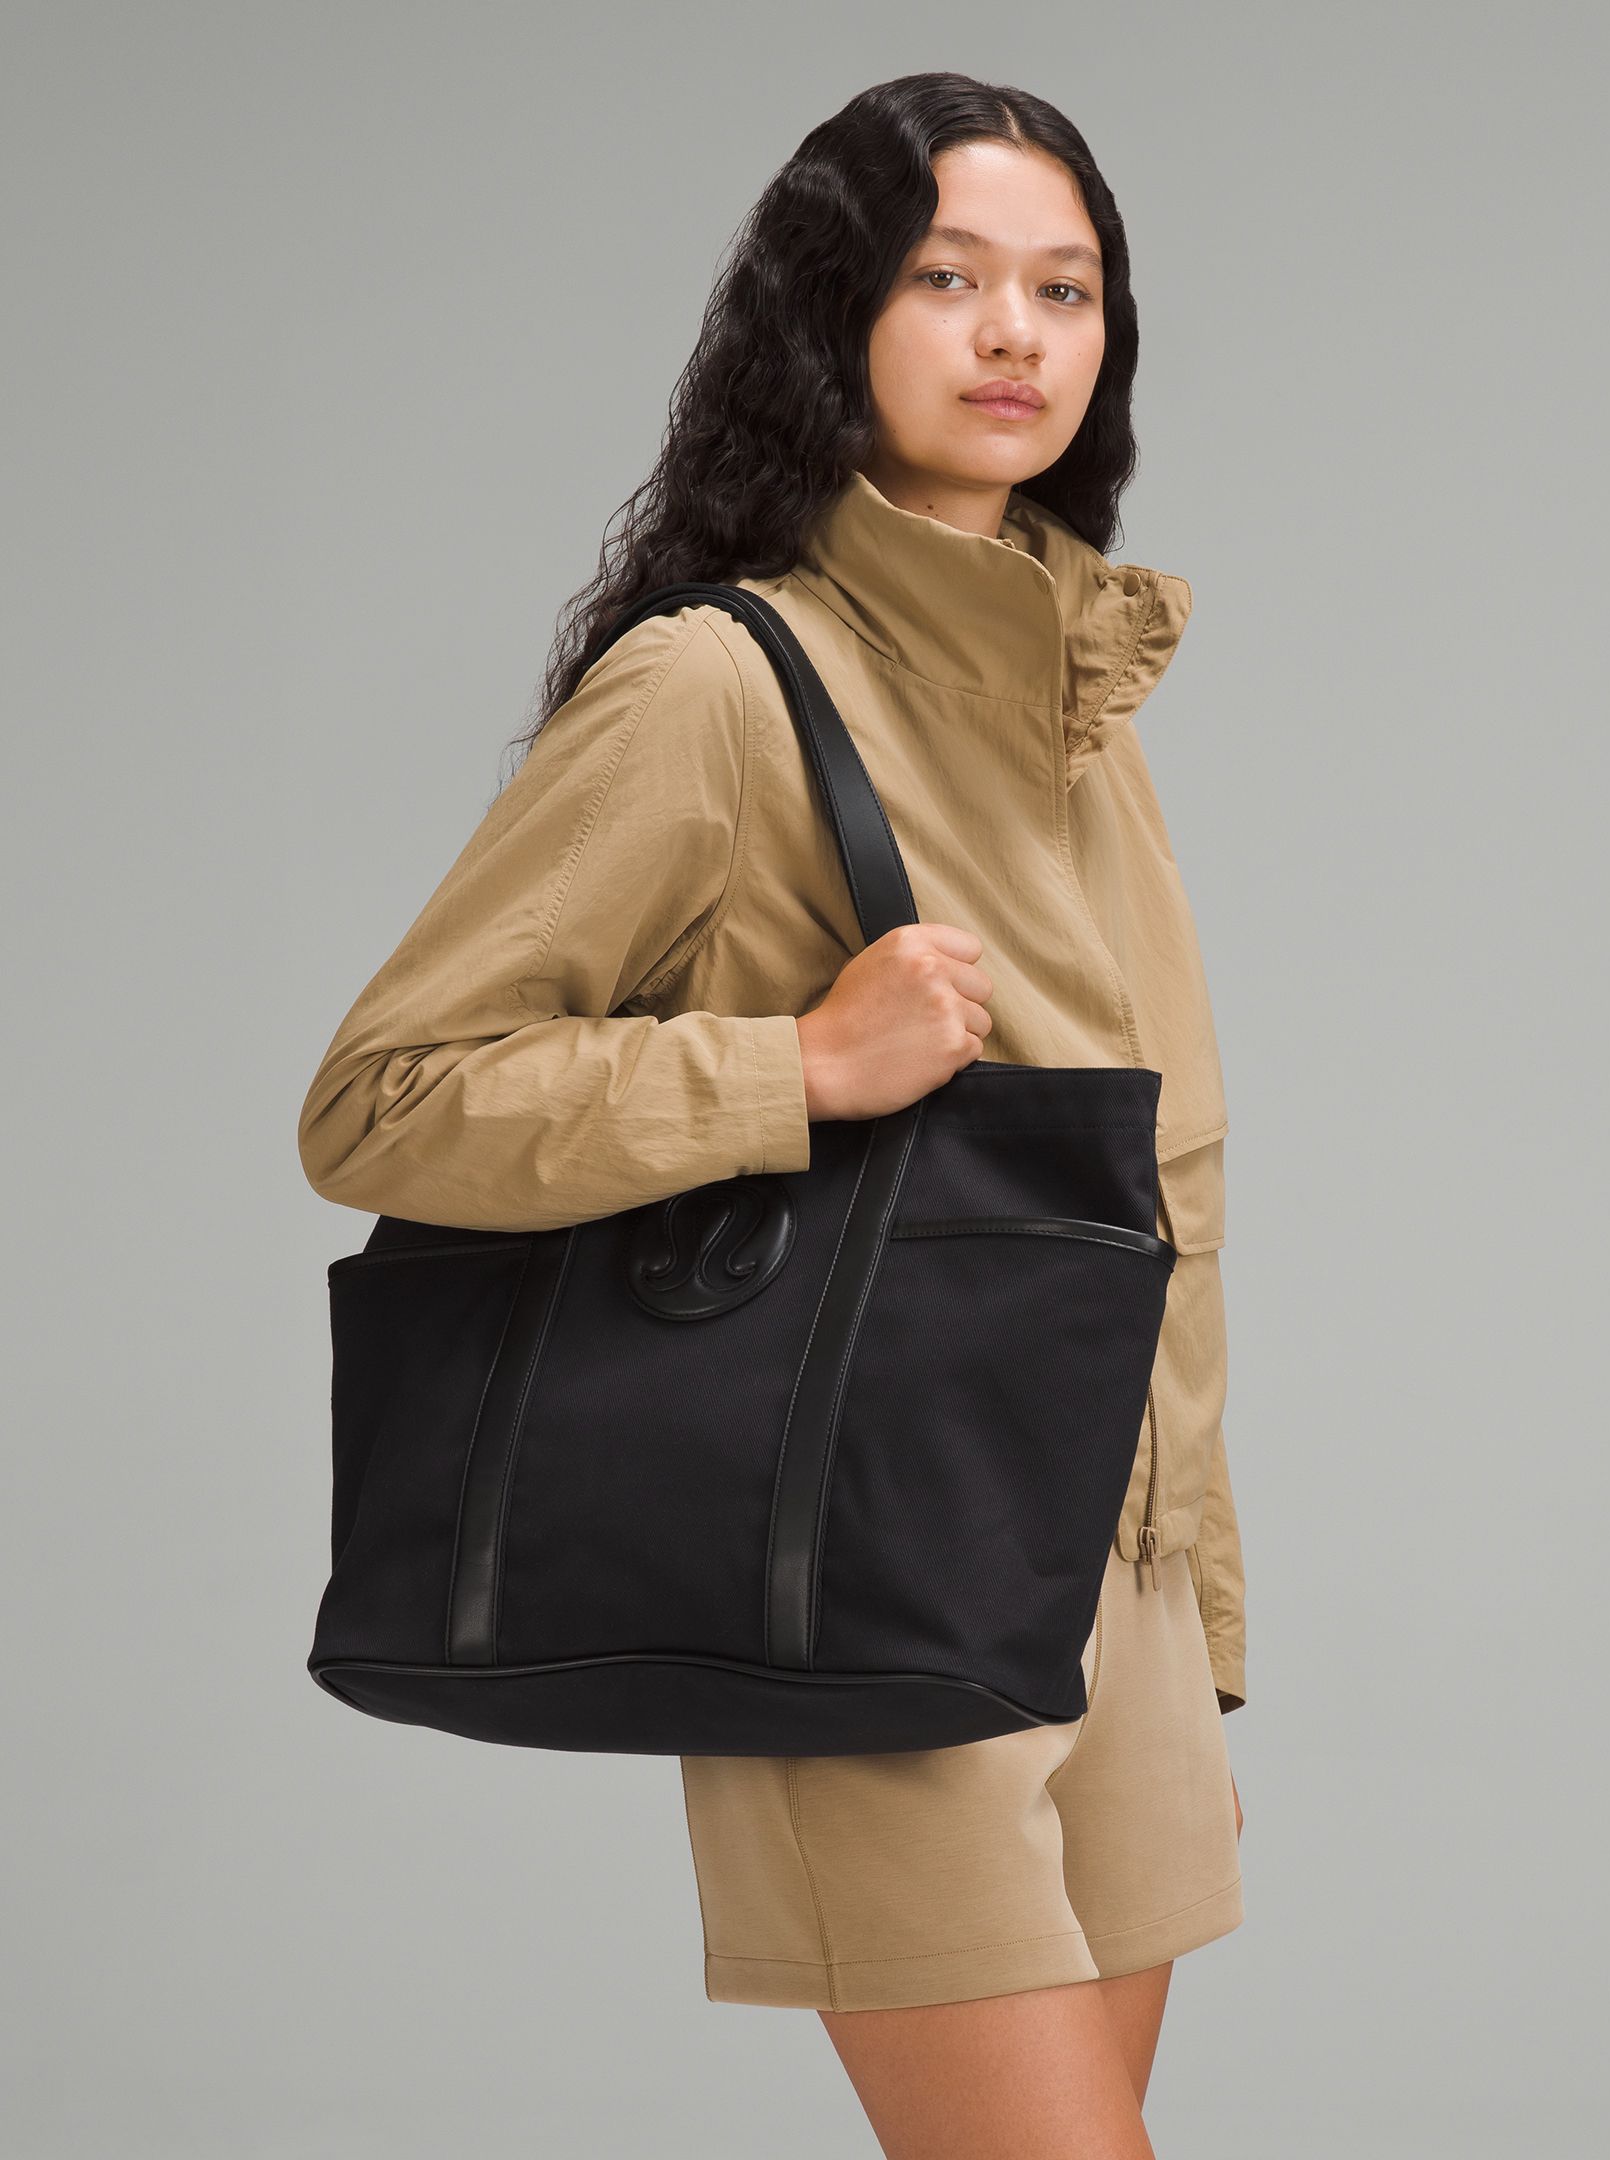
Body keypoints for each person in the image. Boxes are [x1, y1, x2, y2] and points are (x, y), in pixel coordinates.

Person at [298, 71, 1246, 2160]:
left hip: (1118, 1591)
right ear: (834, 310)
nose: (1015, 336)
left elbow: (1152, 1208)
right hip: (872, 1573)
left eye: (1066, 291)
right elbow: (383, 1105)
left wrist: (1200, 1614)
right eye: (948, 278)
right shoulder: (721, 688)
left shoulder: (1088, 707)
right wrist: (793, 1071)